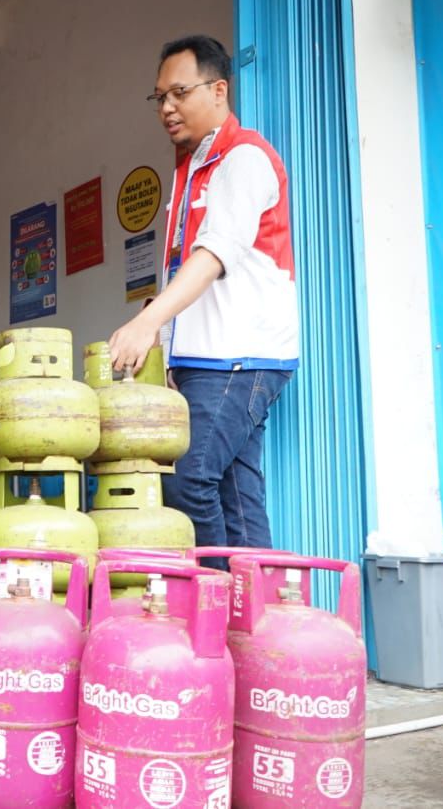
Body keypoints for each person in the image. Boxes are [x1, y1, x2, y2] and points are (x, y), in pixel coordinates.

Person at [108, 35, 298, 555]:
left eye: (179, 93)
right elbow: (184, 264)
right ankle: (254, 601)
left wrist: (147, 324)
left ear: (218, 90)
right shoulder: (192, 169)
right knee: (238, 497)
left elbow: (214, 255)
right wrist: (169, 344)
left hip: (239, 355)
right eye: (159, 97)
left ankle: (212, 597)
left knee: (188, 478)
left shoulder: (244, 158)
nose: (167, 108)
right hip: (207, 358)